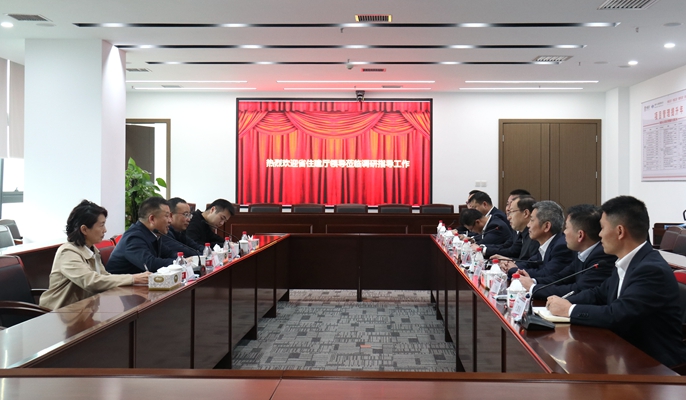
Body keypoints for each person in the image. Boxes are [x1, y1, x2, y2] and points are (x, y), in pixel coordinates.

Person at [547, 196, 686, 368]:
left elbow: (617, 315)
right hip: (626, 353)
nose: (599, 235)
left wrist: (569, 309)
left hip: (656, 366)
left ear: (620, 231)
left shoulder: (650, 269)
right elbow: (598, 294)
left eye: (603, 228)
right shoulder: (629, 262)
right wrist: (559, 303)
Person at [39, 200, 150, 310]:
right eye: (101, 225)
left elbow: (104, 277)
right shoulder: (67, 252)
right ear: (84, 229)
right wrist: (133, 279)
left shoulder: (91, 249)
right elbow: (91, 282)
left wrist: (137, 279)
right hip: (59, 314)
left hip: (83, 310)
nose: (105, 230)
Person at [518, 204, 616, 299]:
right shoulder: (581, 253)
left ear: (580, 235)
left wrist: (534, 288)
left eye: (567, 228)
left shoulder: (602, 257)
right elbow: (561, 277)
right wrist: (533, 281)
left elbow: (578, 289)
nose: (564, 232)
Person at [106, 197, 177, 275]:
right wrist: (178, 263)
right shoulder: (134, 237)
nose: (170, 221)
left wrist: (182, 259)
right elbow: (150, 264)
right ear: (152, 219)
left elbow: (170, 253)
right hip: (121, 282)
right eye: (167, 216)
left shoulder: (153, 233)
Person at [505, 200, 574, 278]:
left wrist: (513, 270)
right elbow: (530, 263)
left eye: (532, 220)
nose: (528, 225)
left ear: (546, 226)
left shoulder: (561, 247)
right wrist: (509, 265)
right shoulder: (546, 243)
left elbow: (545, 274)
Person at [489, 195, 539, 260]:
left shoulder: (535, 236)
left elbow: (532, 264)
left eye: (512, 212)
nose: (508, 217)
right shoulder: (522, 233)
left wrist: (511, 262)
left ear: (526, 213)